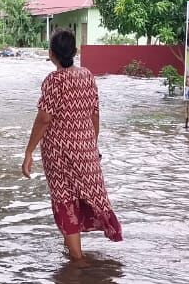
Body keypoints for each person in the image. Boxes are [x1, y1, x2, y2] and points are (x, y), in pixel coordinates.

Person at [22, 30, 123, 261]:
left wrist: (29, 152)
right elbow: (95, 114)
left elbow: (44, 118)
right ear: (75, 52)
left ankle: (78, 261)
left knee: (64, 199)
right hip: (86, 148)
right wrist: (91, 145)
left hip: (58, 153)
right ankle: (77, 259)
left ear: (51, 55)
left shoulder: (53, 81)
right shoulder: (87, 76)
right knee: (87, 196)